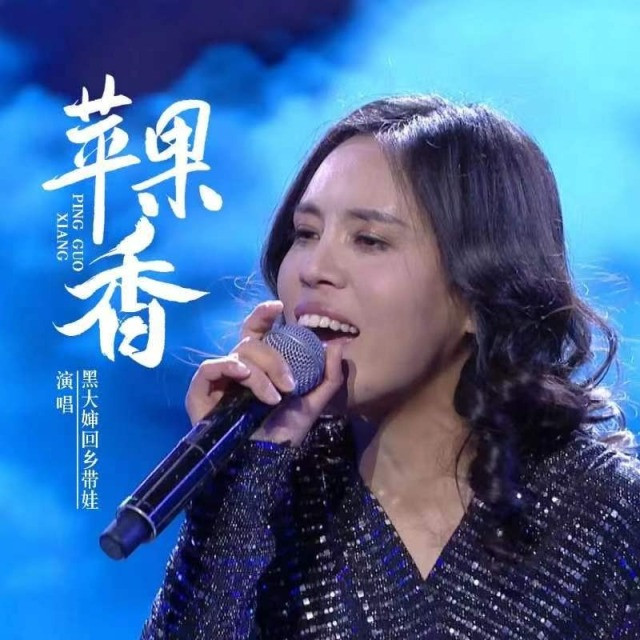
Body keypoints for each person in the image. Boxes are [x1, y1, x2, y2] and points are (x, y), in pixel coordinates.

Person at [140, 95, 639, 639]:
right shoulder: (267, 497)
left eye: (369, 240)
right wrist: (241, 480)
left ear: (478, 295)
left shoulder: (606, 513)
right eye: (305, 233)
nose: (314, 268)